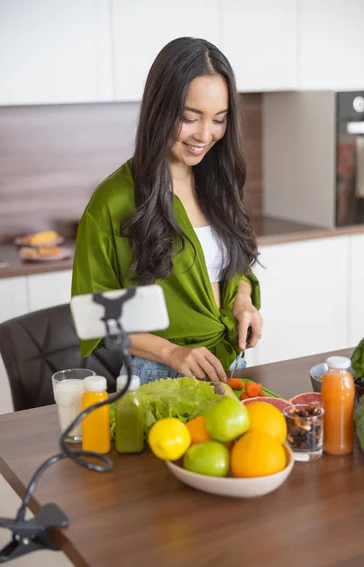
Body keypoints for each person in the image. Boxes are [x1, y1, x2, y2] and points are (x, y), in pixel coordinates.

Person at [72, 37, 263, 385]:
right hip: (158, 374)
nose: (205, 135)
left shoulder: (219, 183)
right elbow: (94, 317)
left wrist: (244, 303)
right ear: (160, 110)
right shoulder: (113, 201)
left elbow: (235, 267)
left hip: (229, 363)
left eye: (219, 119)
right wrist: (171, 353)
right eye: (190, 118)